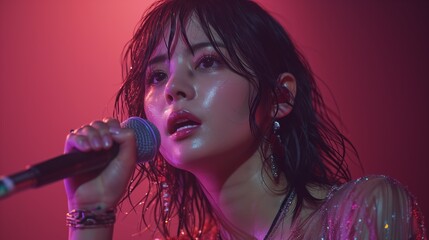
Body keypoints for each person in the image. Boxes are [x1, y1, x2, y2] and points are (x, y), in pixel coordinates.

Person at [64, 0, 426, 239]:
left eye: (207, 62)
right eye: (157, 76)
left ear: (280, 96)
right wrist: (91, 210)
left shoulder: (366, 209)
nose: (173, 88)